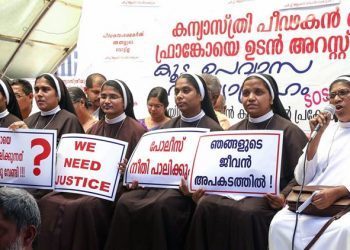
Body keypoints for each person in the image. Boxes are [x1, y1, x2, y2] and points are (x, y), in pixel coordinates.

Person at [186, 73, 308, 250]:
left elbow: (302, 173)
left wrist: (283, 196)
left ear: (272, 98)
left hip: (269, 197)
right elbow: (219, 168)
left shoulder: (289, 131)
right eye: (246, 93)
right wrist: (202, 187)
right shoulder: (233, 130)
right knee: (205, 205)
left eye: (258, 92)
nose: (251, 98)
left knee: (248, 212)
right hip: (233, 193)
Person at [104, 73, 223, 250]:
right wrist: (133, 170)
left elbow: (216, 171)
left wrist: (193, 188)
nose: (179, 95)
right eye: (176, 91)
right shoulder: (167, 126)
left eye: (186, 90)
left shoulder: (213, 129)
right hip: (158, 186)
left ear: (200, 96)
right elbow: (151, 159)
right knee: (126, 201)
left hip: (185, 192)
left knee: (161, 206)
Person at [36, 79, 147, 250]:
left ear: (125, 101)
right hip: (88, 184)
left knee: (85, 206)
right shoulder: (95, 128)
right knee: (48, 201)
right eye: (103, 96)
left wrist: (128, 170)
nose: (106, 101)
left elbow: (143, 170)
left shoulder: (137, 131)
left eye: (113, 97)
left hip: (118, 187)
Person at [269, 75, 350, 250]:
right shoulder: (326, 130)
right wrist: (316, 136)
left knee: (344, 229)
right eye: (332, 95)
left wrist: (339, 191)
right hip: (315, 201)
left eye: (343, 93)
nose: (336, 99)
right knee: (279, 223)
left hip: (345, 203)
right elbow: (302, 176)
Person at [9, 73, 84, 140]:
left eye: (45, 89)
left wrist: (29, 136)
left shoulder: (69, 120)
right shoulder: (29, 120)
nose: (39, 94)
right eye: (37, 90)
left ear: (58, 95)